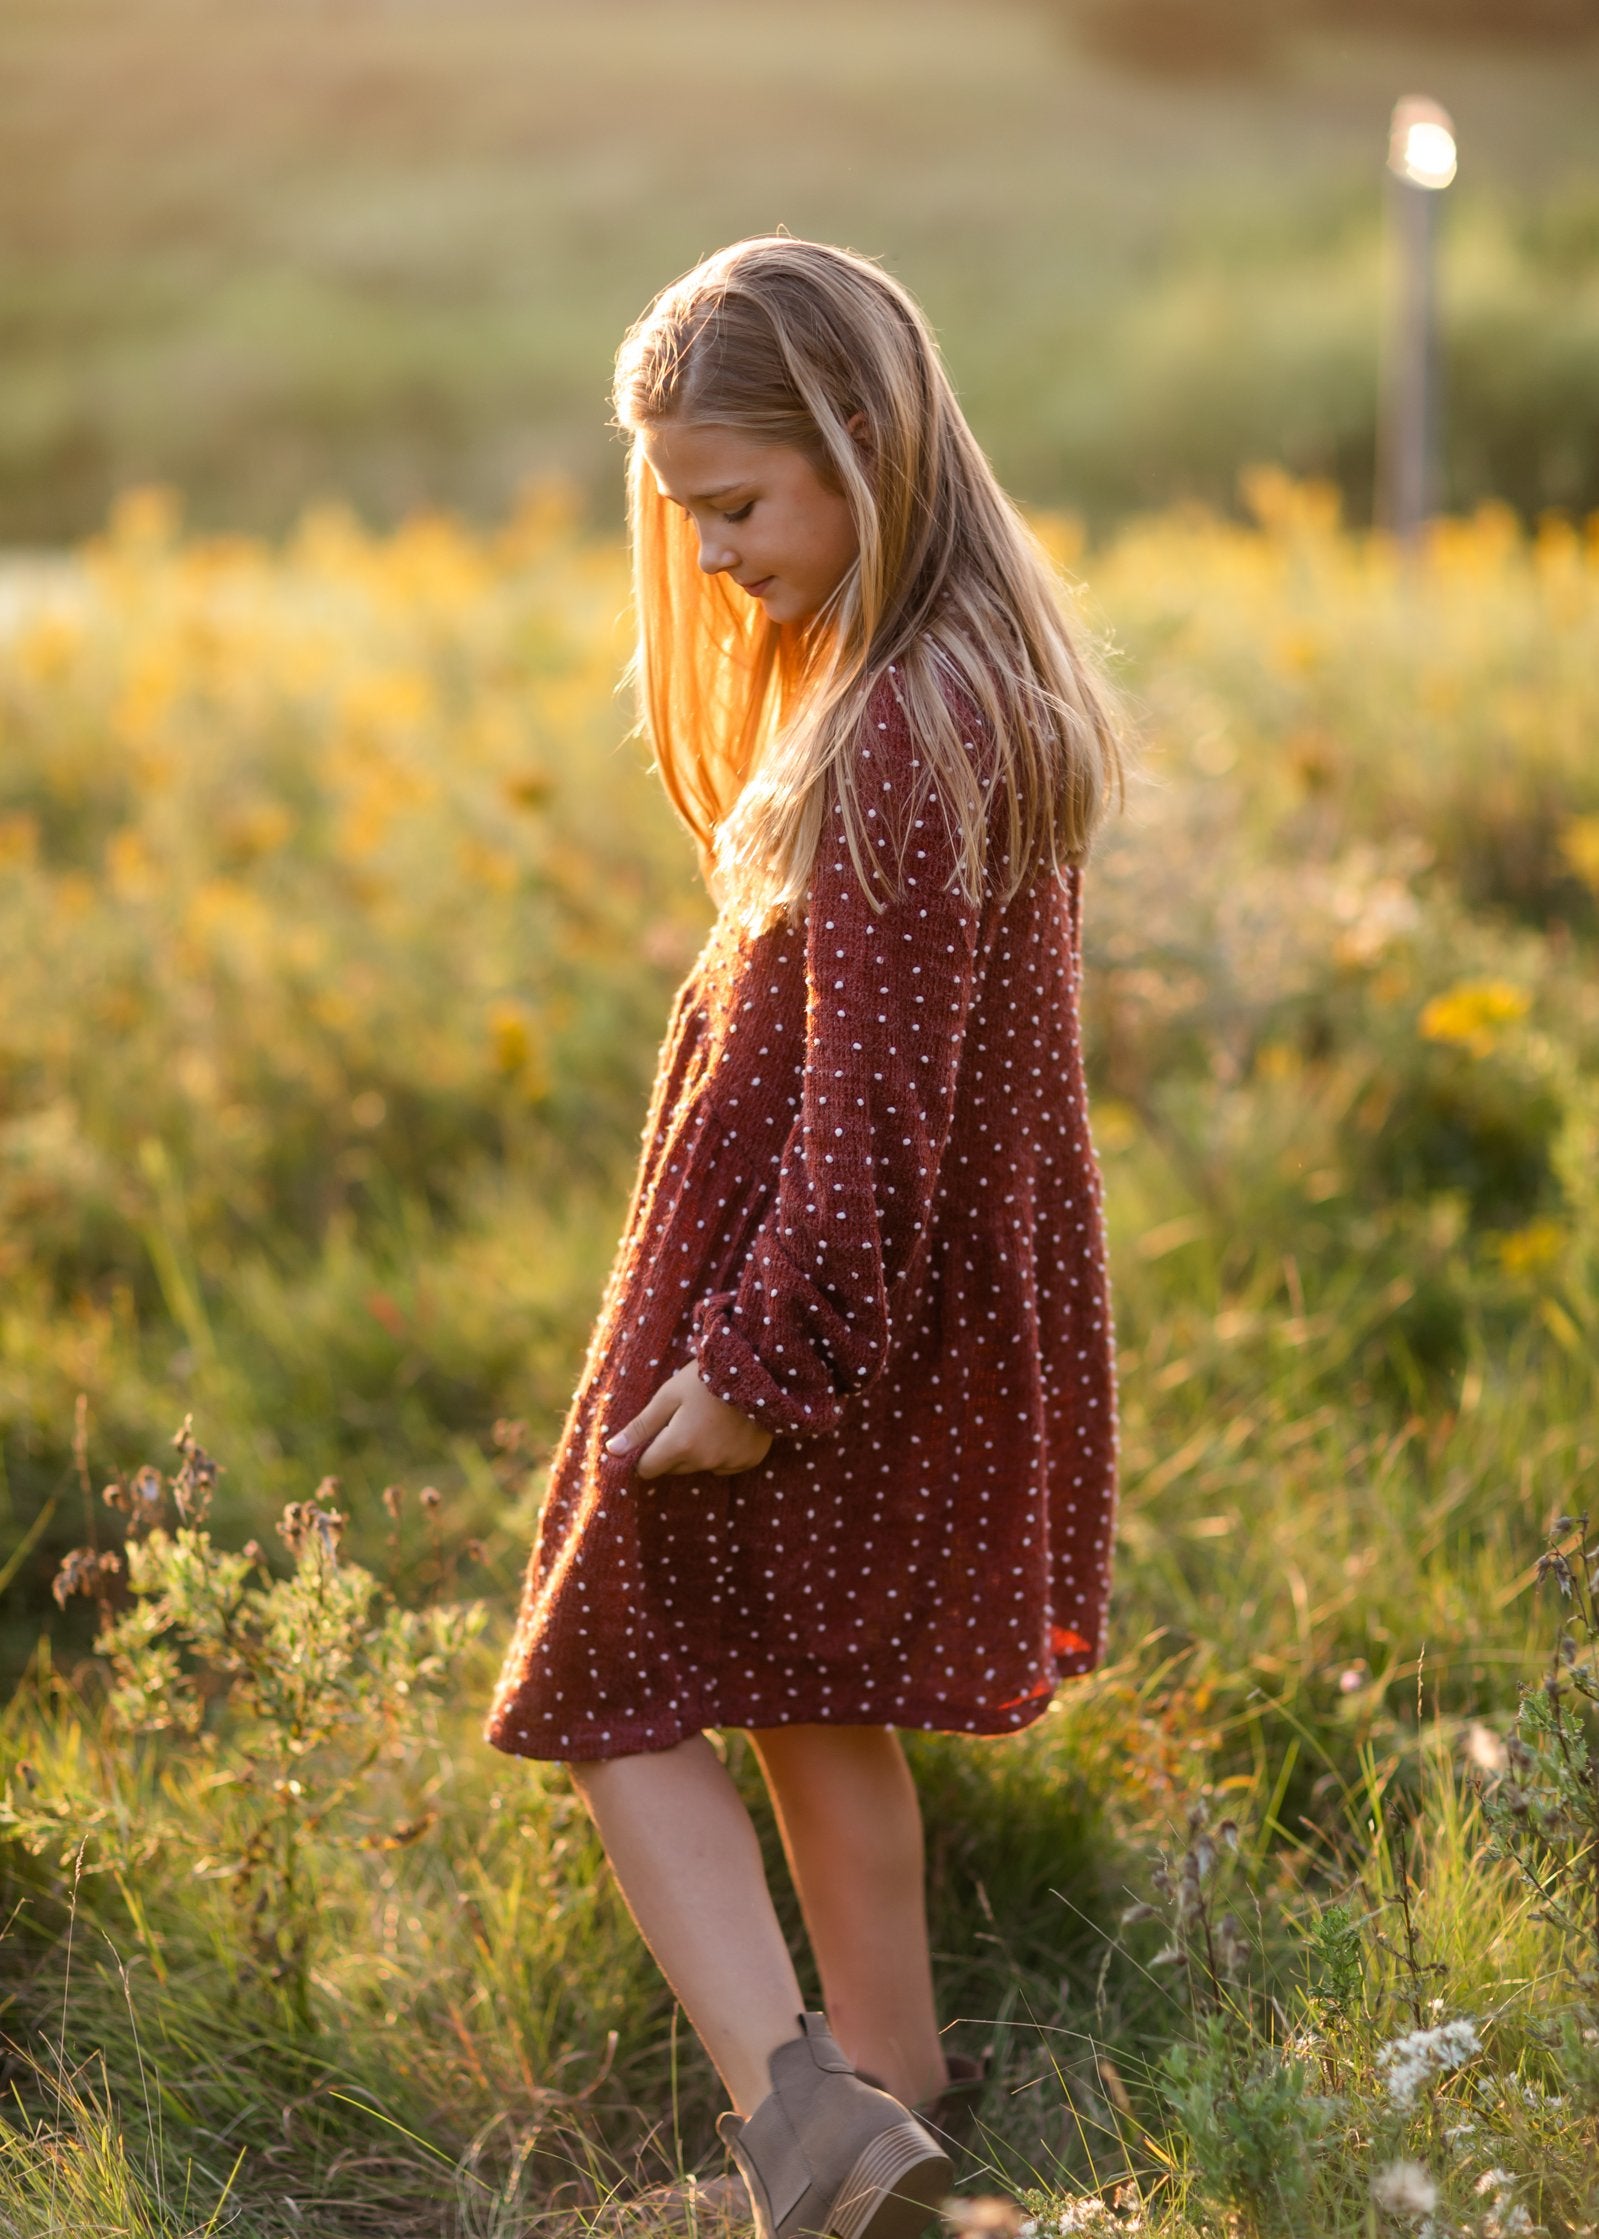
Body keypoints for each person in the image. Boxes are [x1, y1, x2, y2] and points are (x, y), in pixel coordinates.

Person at [484, 235, 1127, 2239]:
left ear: (869, 445)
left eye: (735, 505)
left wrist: (760, 1374)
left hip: (816, 1320)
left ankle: (801, 2112)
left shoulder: (891, 740)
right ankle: (901, 2108)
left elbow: (871, 1125)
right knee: (805, 1693)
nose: (706, 559)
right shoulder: (957, 694)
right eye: (680, 516)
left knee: (603, 1681)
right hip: (877, 1314)